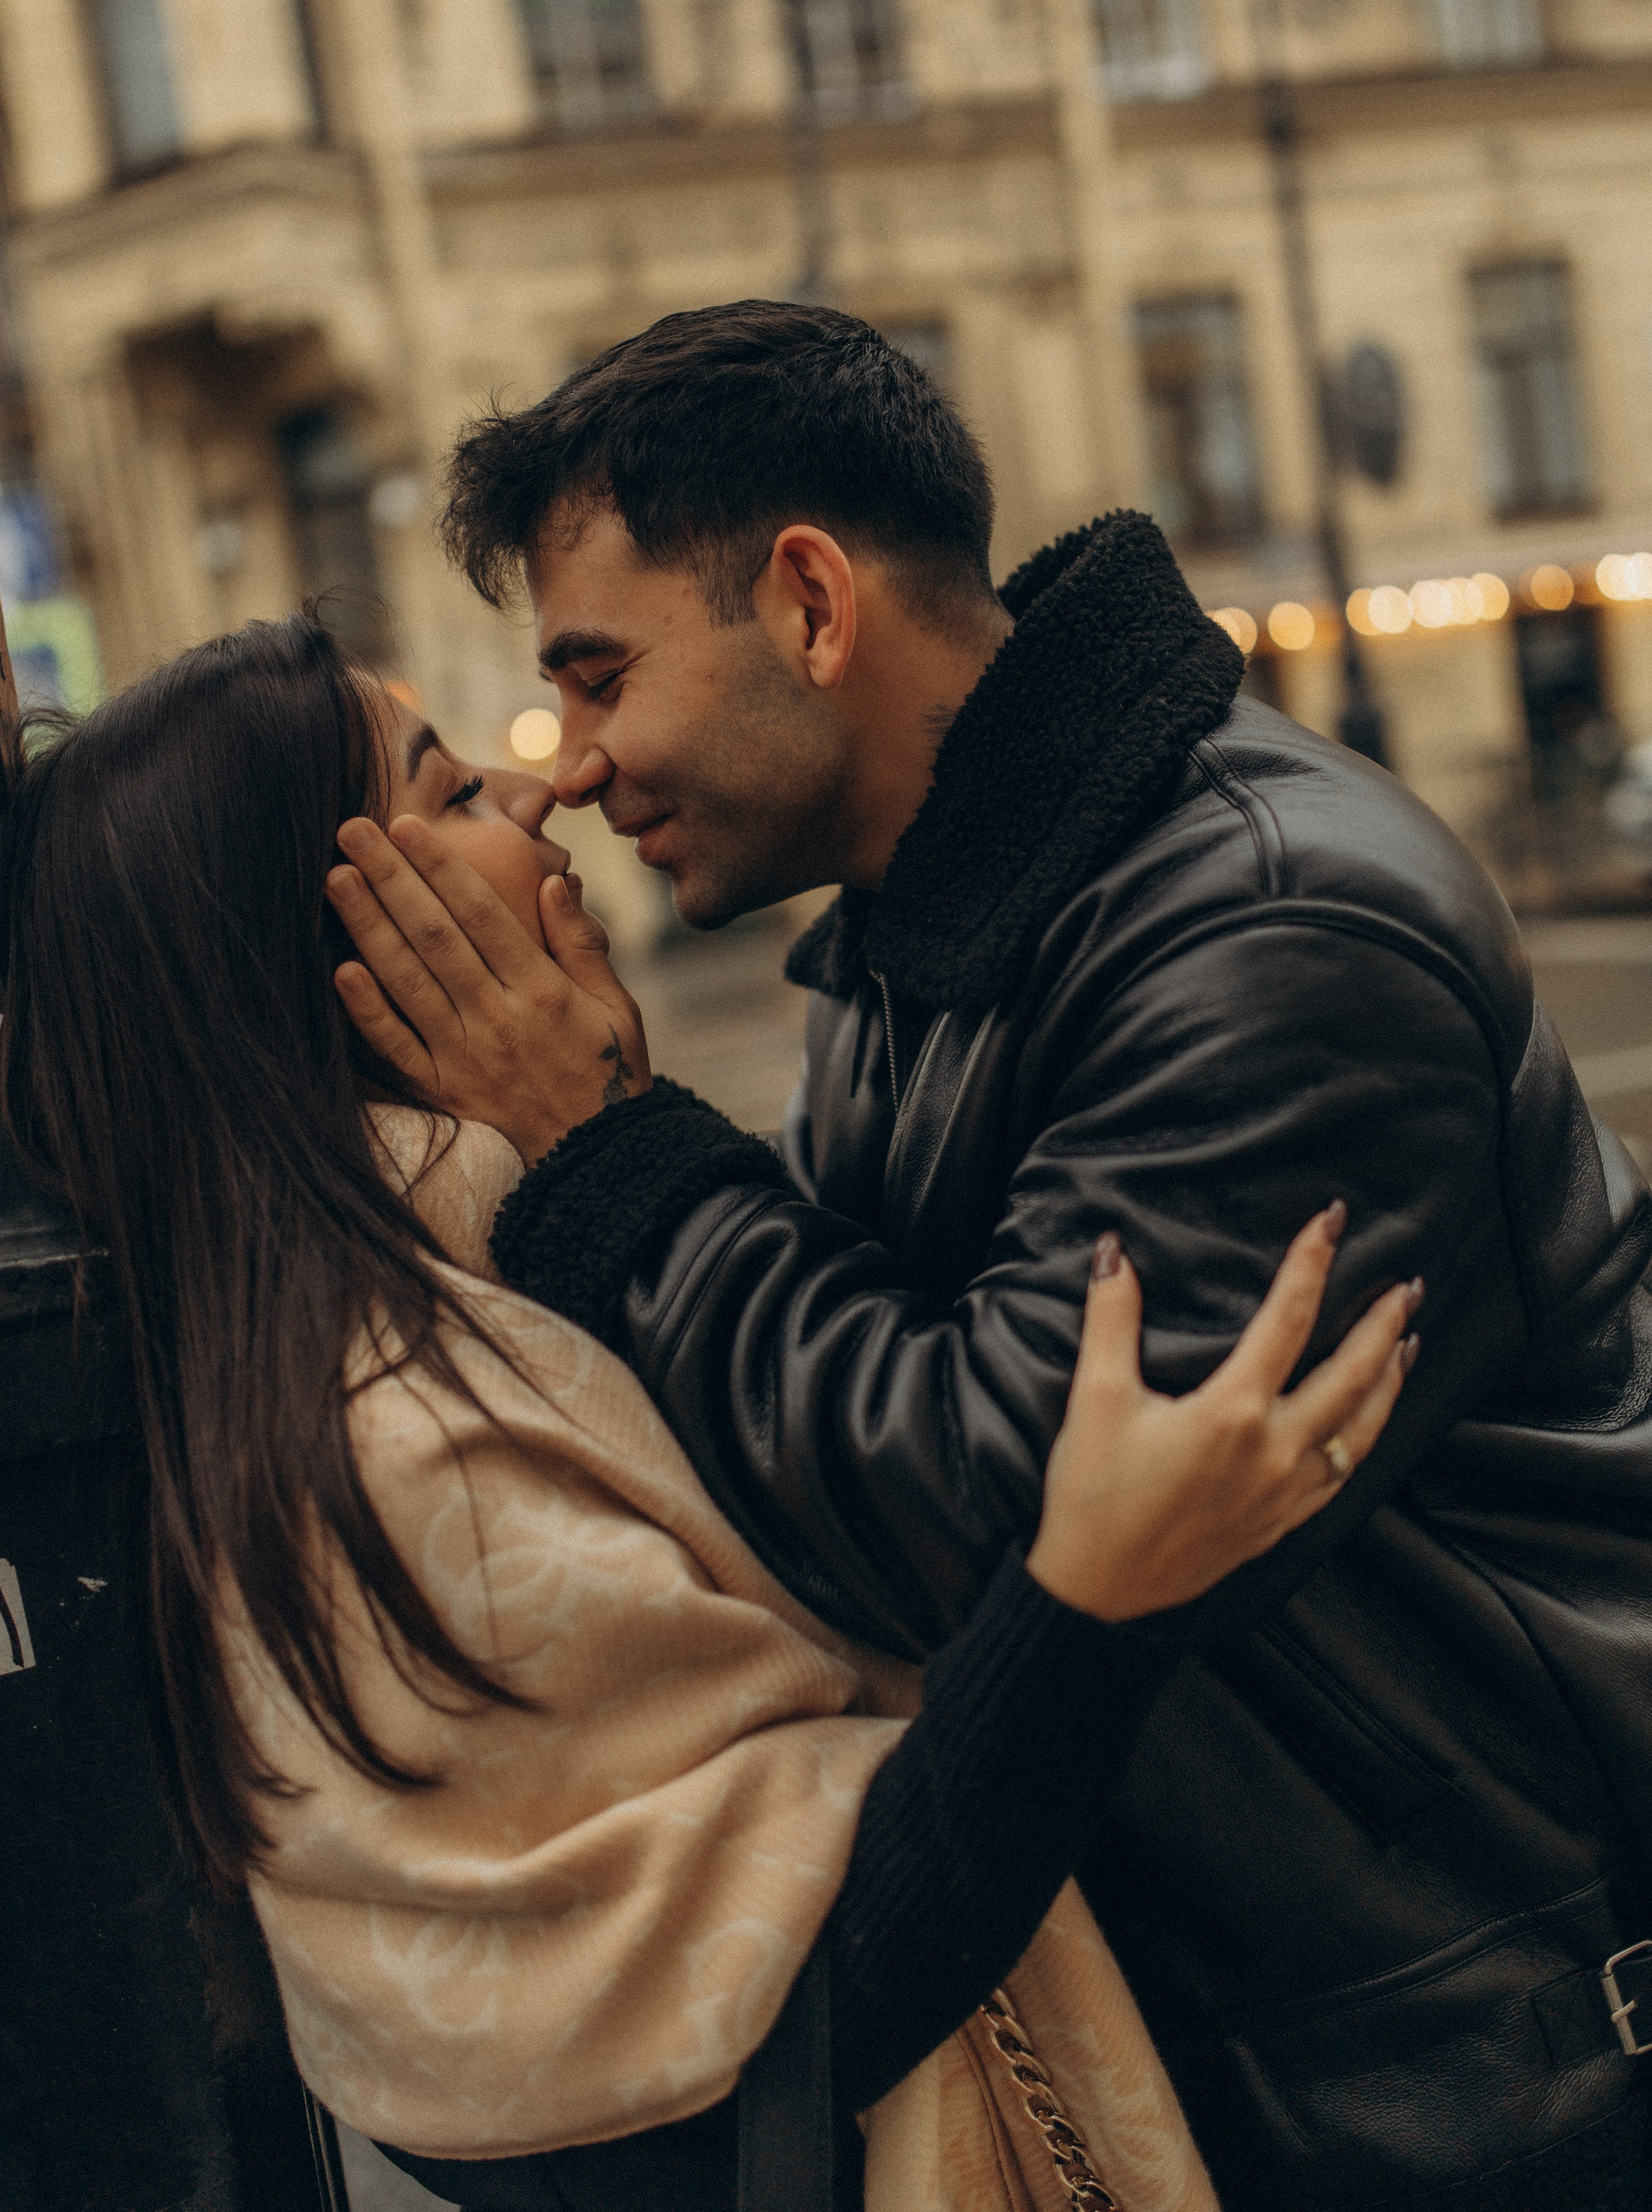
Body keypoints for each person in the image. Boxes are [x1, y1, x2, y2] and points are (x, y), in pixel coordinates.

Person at [328, 300, 1652, 2212]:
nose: (577, 766)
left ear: (807, 601)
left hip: (1487, 2050)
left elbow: (997, 1521)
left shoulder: (1268, 935)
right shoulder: (930, 936)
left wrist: (604, 1152)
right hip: (1304, 2021)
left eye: (600, 675)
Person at [0, 614, 1416, 2212]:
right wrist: (1085, 1600)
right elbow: (792, 1999)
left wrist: (596, 1122)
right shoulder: (411, 1430)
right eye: (451, 790)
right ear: (322, 953)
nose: (536, 796)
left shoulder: (461, 1279)